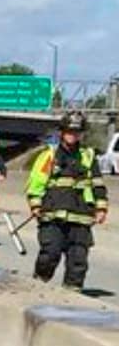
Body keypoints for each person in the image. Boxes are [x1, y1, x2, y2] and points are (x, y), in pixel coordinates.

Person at [26, 111, 109, 292]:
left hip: (81, 216)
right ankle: (38, 285)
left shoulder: (88, 156)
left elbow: (97, 183)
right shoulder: (49, 155)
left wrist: (101, 207)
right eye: (70, 131)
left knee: (78, 260)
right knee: (50, 254)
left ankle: (72, 295)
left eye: (77, 132)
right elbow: (36, 183)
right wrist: (35, 204)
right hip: (51, 214)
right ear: (62, 132)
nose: (73, 135)